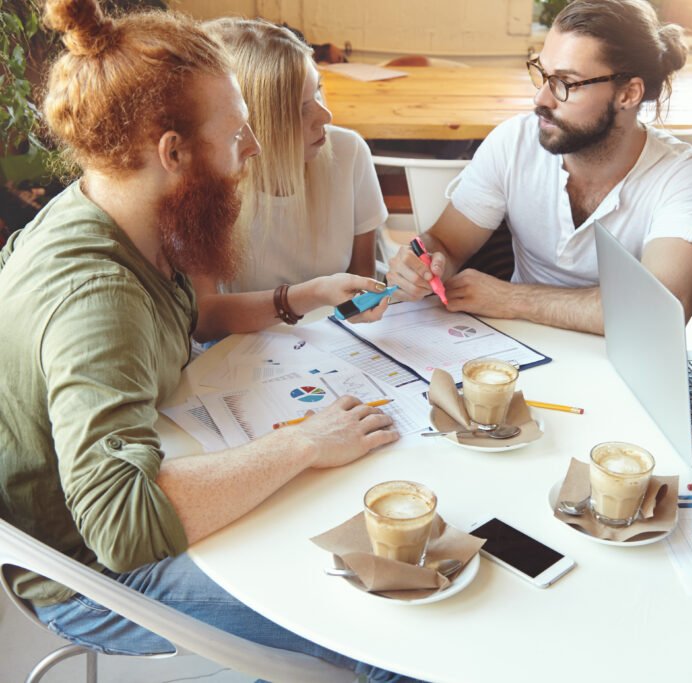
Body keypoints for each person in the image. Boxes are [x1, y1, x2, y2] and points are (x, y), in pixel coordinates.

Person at [0, 2, 405, 679]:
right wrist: (303, 441)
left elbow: (175, 321)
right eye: (240, 133)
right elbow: (123, 523)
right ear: (173, 151)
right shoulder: (98, 300)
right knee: (383, 618)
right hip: (91, 577)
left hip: (127, 488)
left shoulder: (114, 210)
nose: (252, 149)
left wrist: (297, 297)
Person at [387, 0, 692, 335]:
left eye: (565, 83)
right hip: (514, 342)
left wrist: (513, 299)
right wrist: (423, 262)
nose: (541, 99)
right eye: (542, 74)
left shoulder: (682, 175)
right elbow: (448, 242)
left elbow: (658, 312)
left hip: (618, 357)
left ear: (628, 94)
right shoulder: (513, 141)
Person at [192, 17, 390, 342]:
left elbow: (361, 276)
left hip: (334, 346)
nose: (326, 116)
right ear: (253, 121)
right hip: (242, 355)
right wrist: (312, 294)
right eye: (300, 109)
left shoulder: (350, 152)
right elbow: (204, 320)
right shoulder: (211, 182)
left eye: (319, 92)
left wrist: (370, 298)